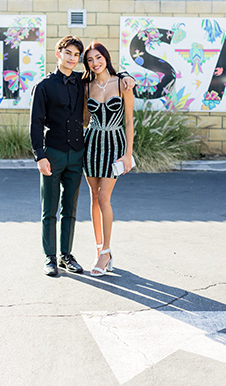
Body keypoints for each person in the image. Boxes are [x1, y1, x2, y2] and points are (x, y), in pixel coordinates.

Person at [29, 36, 133, 277]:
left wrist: (126, 74)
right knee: (49, 210)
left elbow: (105, 71)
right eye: (68, 53)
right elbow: (35, 124)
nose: (72, 59)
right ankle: (50, 258)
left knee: (70, 208)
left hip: (78, 153)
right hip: (53, 154)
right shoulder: (43, 86)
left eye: (76, 55)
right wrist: (39, 156)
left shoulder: (80, 80)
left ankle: (66, 255)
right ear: (58, 54)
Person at [81, 42, 134, 276]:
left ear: (106, 57)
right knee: (93, 197)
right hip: (91, 144)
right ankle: (99, 250)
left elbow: (130, 121)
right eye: (90, 60)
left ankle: (107, 251)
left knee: (104, 197)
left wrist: (128, 154)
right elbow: (84, 119)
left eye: (98, 57)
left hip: (115, 144)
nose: (95, 63)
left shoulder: (122, 83)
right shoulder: (87, 86)